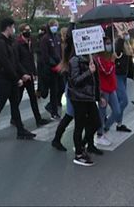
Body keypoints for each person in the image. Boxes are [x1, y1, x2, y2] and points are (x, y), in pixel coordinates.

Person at [0, 17, 36, 141]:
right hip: (2, 78)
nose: (14, 29)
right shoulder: (0, 43)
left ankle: (20, 130)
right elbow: (6, 63)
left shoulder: (9, 41)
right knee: (1, 103)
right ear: (8, 27)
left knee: (14, 104)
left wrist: (22, 73)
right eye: (13, 27)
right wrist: (16, 78)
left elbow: (14, 61)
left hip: (10, 78)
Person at [64, 38, 101, 166]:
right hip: (78, 98)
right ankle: (78, 154)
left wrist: (98, 96)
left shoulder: (91, 59)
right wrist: (88, 72)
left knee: (96, 122)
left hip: (89, 97)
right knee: (79, 125)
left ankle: (81, 145)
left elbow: (95, 81)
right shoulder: (75, 60)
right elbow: (74, 81)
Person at [13, 23, 49, 127]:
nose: (28, 31)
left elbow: (31, 59)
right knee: (18, 98)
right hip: (22, 75)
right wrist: (22, 74)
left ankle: (38, 119)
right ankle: (14, 118)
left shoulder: (29, 42)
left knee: (33, 98)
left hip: (29, 74)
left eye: (29, 29)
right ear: (21, 32)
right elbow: (17, 61)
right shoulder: (18, 44)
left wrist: (34, 72)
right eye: (26, 30)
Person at [95, 37, 122, 147]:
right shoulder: (99, 58)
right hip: (103, 89)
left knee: (117, 111)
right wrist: (112, 61)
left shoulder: (110, 56)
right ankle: (99, 134)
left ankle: (105, 127)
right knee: (102, 112)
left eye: (110, 43)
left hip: (111, 88)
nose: (109, 45)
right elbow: (106, 71)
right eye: (107, 43)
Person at [41, 19, 63, 119]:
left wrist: (61, 63)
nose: (55, 27)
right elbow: (45, 56)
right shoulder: (45, 38)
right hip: (51, 69)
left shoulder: (57, 37)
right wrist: (54, 65)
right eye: (53, 25)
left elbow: (60, 52)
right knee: (54, 91)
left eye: (56, 25)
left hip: (59, 67)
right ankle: (54, 112)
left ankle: (52, 106)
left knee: (61, 88)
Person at [114, 30, 134, 129]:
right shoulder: (119, 42)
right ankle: (110, 120)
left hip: (124, 75)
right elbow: (117, 51)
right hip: (117, 75)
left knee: (119, 100)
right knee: (124, 100)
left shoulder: (127, 44)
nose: (127, 34)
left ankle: (119, 123)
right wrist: (122, 38)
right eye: (125, 33)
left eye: (127, 33)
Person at [35, 25, 48, 99]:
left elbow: (37, 49)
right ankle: (41, 91)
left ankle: (40, 91)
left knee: (40, 77)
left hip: (40, 60)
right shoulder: (44, 37)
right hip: (43, 60)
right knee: (42, 76)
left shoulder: (39, 37)